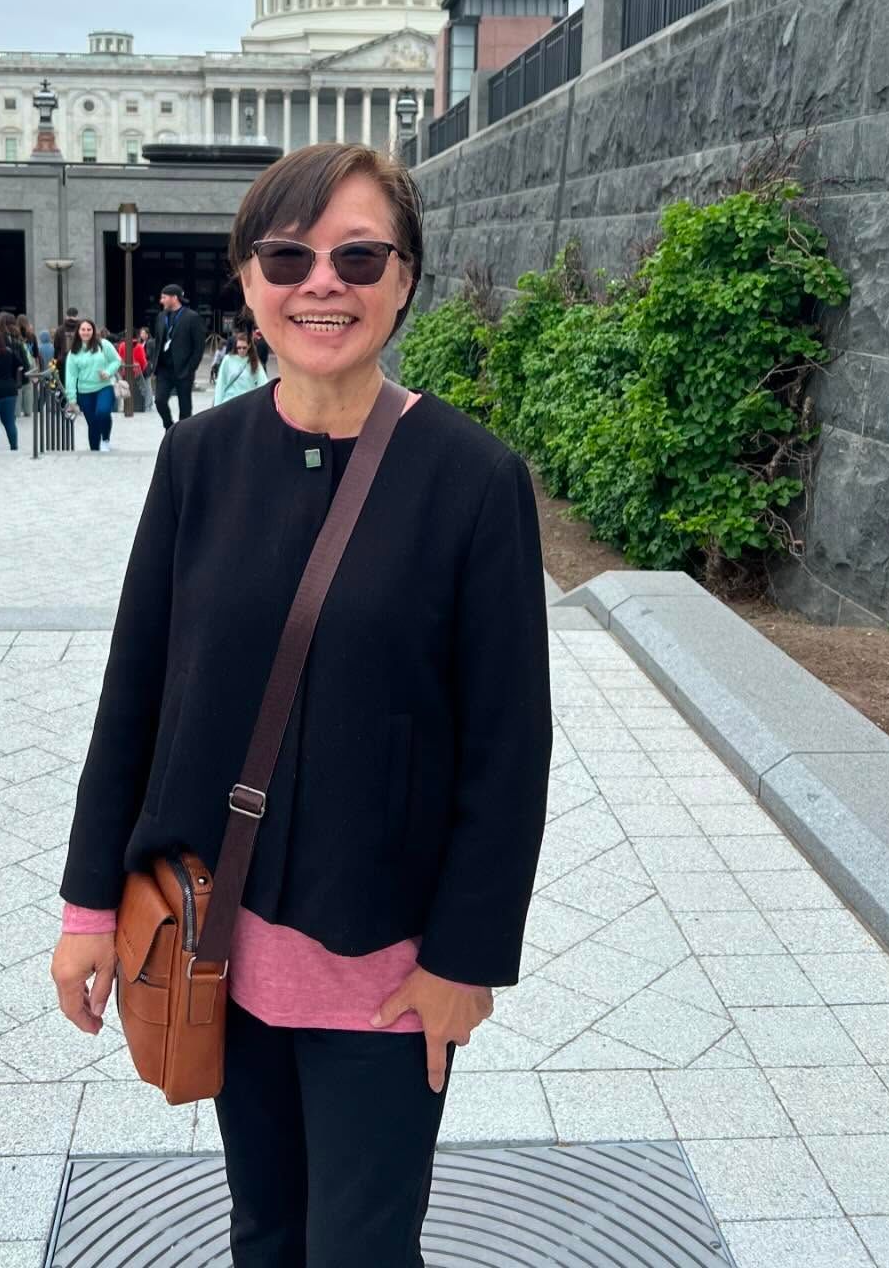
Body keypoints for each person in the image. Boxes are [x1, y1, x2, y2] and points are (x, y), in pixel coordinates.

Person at [52, 141, 551, 1266]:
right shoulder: (199, 460)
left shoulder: (474, 480)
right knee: (265, 1230)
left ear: (405, 279)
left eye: (359, 256)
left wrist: (465, 960)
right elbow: (135, 694)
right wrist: (89, 911)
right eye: (289, 256)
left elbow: (509, 749)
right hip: (215, 945)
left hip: (386, 968)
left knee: (364, 1248)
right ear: (249, 279)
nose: (322, 282)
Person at [151, 282, 205, 428]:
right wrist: (154, 364)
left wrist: (191, 368)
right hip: (164, 369)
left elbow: (199, 347)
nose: (161, 301)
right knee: (159, 401)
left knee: (185, 408)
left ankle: (183, 435)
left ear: (174, 298)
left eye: (164, 297)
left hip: (183, 369)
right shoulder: (161, 317)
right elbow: (158, 342)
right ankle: (169, 427)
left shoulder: (192, 317)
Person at [63, 319, 122, 452]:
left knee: (103, 412)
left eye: (89, 329)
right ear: (78, 332)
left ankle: (106, 439)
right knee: (92, 423)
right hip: (84, 392)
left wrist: (108, 372)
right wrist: (71, 399)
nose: (86, 332)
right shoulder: (73, 353)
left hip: (104, 387)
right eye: (83, 329)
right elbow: (71, 377)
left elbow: (116, 360)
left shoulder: (104, 344)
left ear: (93, 331)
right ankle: (94, 451)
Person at [212, 313, 270, 407]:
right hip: (229, 403)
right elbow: (221, 384)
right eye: (239, 348)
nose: (241, 350)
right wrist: (217, 406)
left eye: (244, 348)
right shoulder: (228, 360)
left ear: (249, 346)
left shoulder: (254, 361)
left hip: (247, 404)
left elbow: (263, 383)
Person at [114, 332, 148, 414]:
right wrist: (142, 370)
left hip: (125, 371)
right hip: (137, 372)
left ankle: (124, 406)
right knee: (143, 389)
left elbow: (120, 358)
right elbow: (143, 361)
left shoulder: (122, 345)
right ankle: (141, 406)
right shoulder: (139, 346)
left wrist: (121, 369)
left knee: (124, 388)